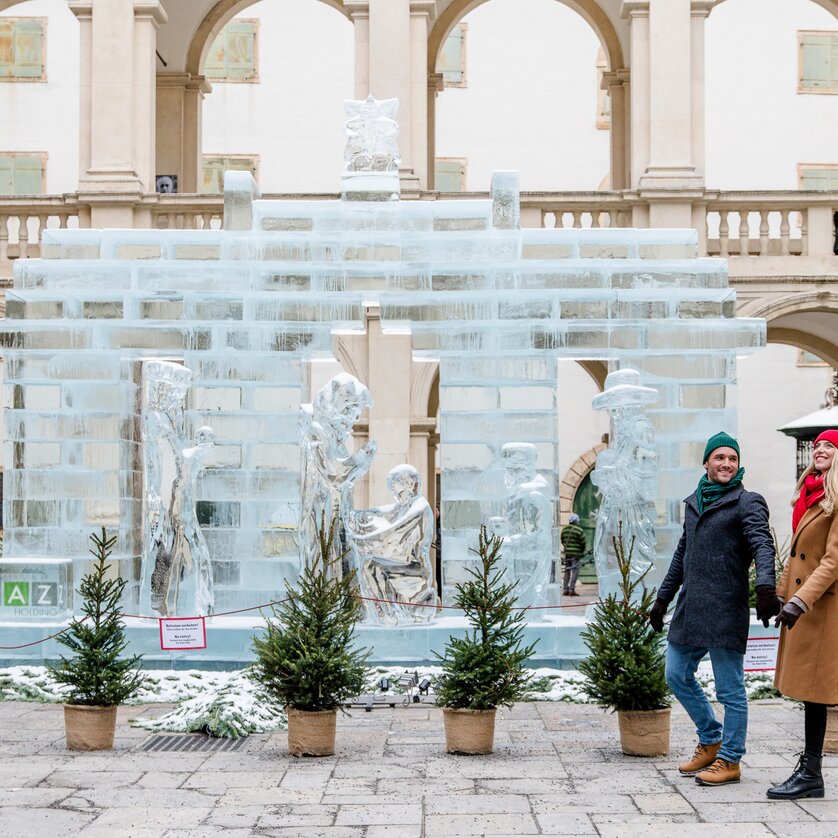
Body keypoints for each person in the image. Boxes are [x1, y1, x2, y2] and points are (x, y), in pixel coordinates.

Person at [649, 432, 781, 786]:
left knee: (730, 690)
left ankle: (730, 759)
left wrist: (766, 586)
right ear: (706, 462)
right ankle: (710, 739)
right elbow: (682, 554)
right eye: (719, 457)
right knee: (676, 675)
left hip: (725, 608)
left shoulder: (747, 501)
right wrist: (662, 599)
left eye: (732, 459)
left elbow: (762, 545)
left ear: (739, 465)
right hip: (690, 607)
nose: (726, 464)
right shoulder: (694, 502)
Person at [768, 429, 838, 800]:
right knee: (813, 693)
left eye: (830, 445)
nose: (821, 449)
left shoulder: (837, 499)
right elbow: (796, 555)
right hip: (807, 606)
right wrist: (781, 595)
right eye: (819, 445)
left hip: (825, 607)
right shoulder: (810, 496)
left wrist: (800, 601)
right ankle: (811, 771)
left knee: (817, 690)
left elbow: (831, 562)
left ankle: (810, 773)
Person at [561, 513, 587, 596]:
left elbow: (562, 540)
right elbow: (583, 542)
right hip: (576, 554)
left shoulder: (564, 530)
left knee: (567, 571)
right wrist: (581, 551)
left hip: (567, 554)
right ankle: (572, 589)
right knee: (575, 572)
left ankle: (565, 589)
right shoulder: (579, 530)